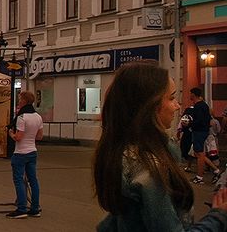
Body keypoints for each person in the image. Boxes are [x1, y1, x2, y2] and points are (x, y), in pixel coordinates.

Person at [95, 61, 227, 231]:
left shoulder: (125, 153)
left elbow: (120, 219)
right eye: (171, 98)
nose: (177, 106)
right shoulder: (150, 166)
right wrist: (218, 216)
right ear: (150, 105)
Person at [5, 91, 43, 219]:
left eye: (20, 99)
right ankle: (35, 208)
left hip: (20, 153)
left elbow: (18, 137)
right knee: (33, 180)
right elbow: (40, 136)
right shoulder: (38, 117)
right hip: (32, 152)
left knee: (19, 180)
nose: (19, 101)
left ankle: (21, 209)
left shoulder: (22, 118)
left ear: (25, 101)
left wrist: (11, 133)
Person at [190, 88, 222, 185]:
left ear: (194, 95)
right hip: (203, 131)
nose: (189, 95)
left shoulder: (199, 106)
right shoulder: (204, 105)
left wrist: (190, 124)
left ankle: (199, 177)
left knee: (199, 154)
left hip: (199, 132)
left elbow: (199, 120)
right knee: (199, 154)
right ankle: (216, 171)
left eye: (190, 94)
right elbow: (208, 119)